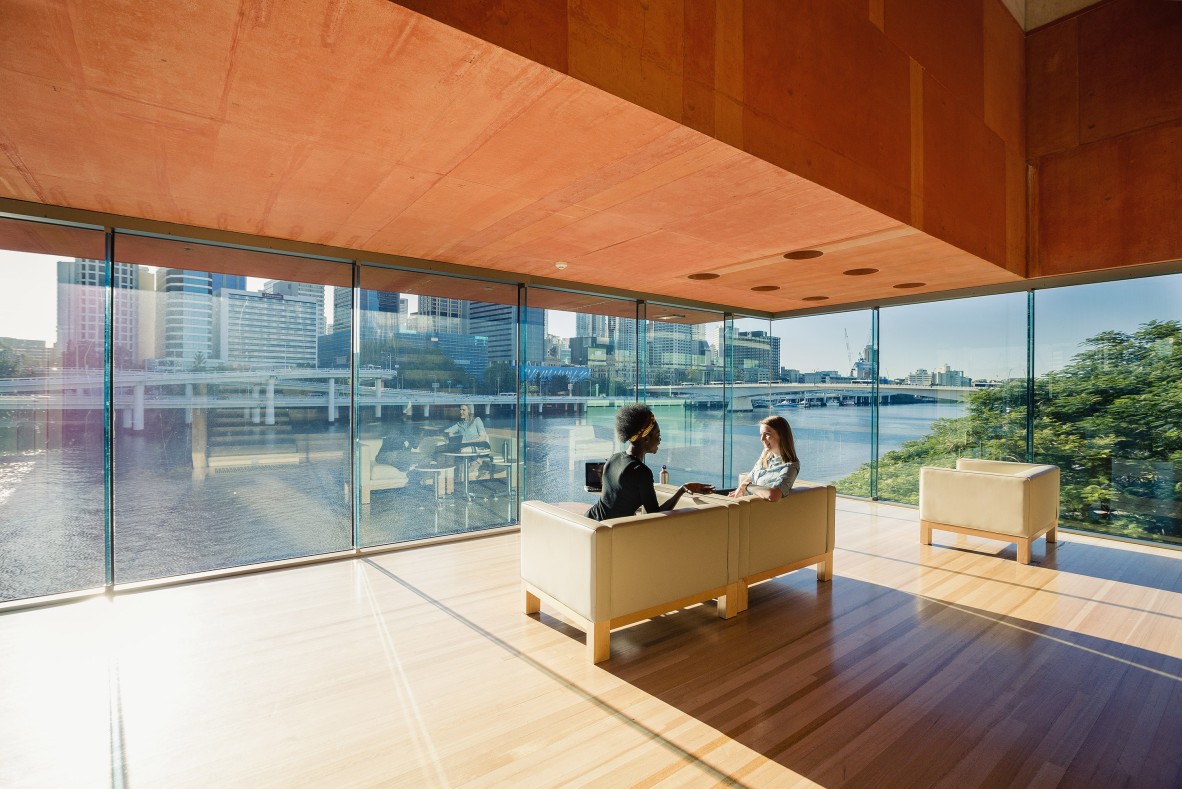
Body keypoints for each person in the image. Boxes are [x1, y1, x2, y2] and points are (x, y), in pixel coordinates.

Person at [586, 404, 715, 521]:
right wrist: (681, 490)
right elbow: (655, 514)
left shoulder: (614, 458)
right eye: (658, 435)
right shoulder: (641, 472)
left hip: (591, 520)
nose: (660, 440)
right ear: (646, 438)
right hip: (609, 534)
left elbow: (615, 501)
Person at [728, 415, 800, 502]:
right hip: (746, 503)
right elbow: (750, 477)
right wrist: (738, 491)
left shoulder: (790, 466)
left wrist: (746, 487)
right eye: (761, 434)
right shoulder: (765, 455)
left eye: (767, 434)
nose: (762, 439)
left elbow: (774, 495)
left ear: (782, 435)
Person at [444, 404, 491, 478]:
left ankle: (477, 461)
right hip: (465, 447)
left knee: (461, 449)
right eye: (460, 410)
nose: (461, 412)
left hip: (481, 445)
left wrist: (466, 442)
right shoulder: (459, 424)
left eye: (463, 410)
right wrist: (450, 434)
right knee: (458, 451)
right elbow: (446, 431)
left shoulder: (476, 420)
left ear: (469, 411)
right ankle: (477, 462)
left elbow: (482, 437)